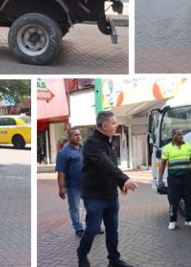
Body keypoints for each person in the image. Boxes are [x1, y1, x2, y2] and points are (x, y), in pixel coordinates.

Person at [77, 111, 138, 267]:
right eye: (113, 123)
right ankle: (82, 254)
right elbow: (104, 163)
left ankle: (114, 260)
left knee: (112, 230)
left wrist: (120, 184)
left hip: (110, 195)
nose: (116, 125)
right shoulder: (91, 143)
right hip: (94, 196)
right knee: (92, 229)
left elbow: (112, 166)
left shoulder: (110, 142)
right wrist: (124, 178)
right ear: (104, 126)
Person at [158, 128, 191, 230]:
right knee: (173, 201)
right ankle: (173, 221)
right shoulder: (167, 148)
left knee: (188, 199)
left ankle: (189, 220)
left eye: (182, 134)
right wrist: (159, 179)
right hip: (173, 179)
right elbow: (163, 164)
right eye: (179, 134)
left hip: (186, 178)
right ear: (173, 136)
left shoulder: (188, 146)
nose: (181, 136)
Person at [56, 127, 85, 236]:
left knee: (91, 206)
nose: (79, 137)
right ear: (69, 137)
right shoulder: (64, 152)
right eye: (76, 135)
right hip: (73, 187)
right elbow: (61, 172)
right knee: (74, 208)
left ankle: (93, 226)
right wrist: (61, 188)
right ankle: (78, 228)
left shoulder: (83, 148)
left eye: (80, 134)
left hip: (87, 185)